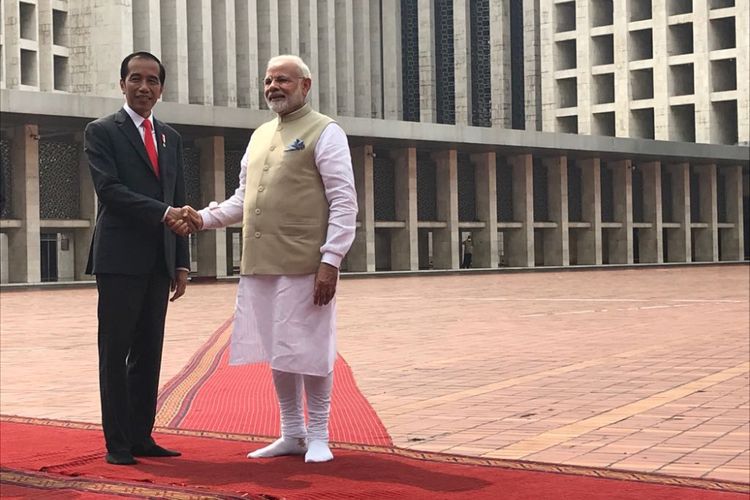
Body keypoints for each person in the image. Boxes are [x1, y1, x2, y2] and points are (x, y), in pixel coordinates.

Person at [173, 54, 357, 463]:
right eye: (269, 80)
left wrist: (332, 259)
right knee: (279, 349)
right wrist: (201, 217)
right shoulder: (258, 136)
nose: (274, 87)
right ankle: (291, 433)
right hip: (260, 262)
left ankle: (320, 434)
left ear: (305, 86)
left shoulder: (326, 132)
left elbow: (344, 201)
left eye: (284, 80)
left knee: (310, 346)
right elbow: (244, 199)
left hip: (305, 262)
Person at [85, 51, 190, 465]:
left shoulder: (171, 137)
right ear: (122, 84)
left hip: (159, 260)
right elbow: (108, 190)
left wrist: (181, 261)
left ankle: (142, 435)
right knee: (116, 351)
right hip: (119, 259)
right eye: (135, 79)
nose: (143, 87)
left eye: (152, 80)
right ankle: (118, 443)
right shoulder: (101, 131)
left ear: (161, 88)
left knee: (149, 350)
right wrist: (163, 214)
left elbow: (177, 198)